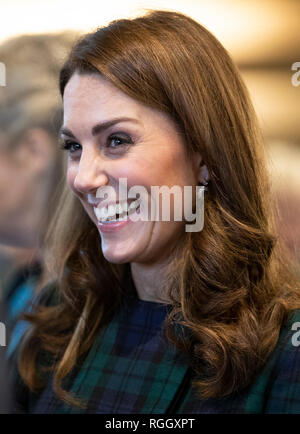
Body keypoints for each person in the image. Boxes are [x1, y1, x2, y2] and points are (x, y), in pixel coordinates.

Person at [12, 10, 300, 414]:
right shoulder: (58, 321)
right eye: (74, 147)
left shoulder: (284, 350)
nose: (82, 178)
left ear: (203, 155)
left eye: (116, 140)